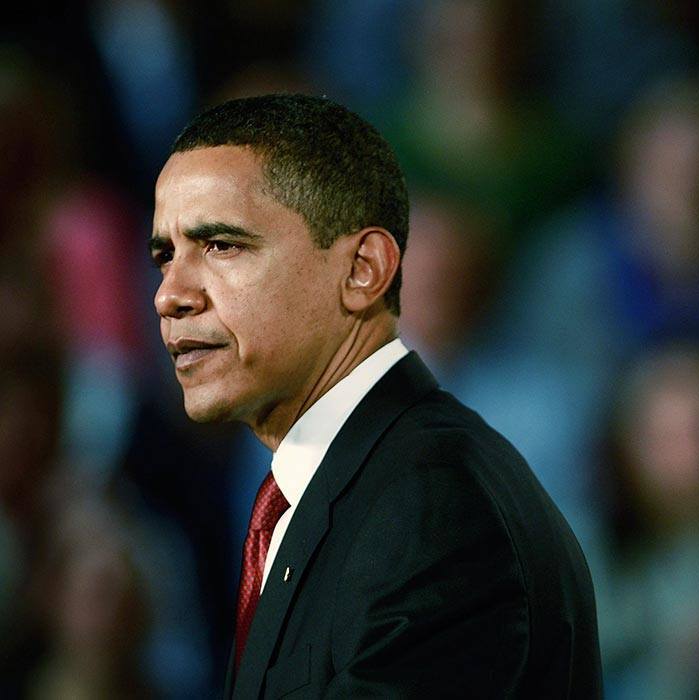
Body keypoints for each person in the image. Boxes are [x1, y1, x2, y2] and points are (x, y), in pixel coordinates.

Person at [148, 93, 601, 698]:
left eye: (222, 246)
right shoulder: (341, 486)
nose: (170, 294)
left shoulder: (433, 509)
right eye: (164, 256)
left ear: (363, 270)